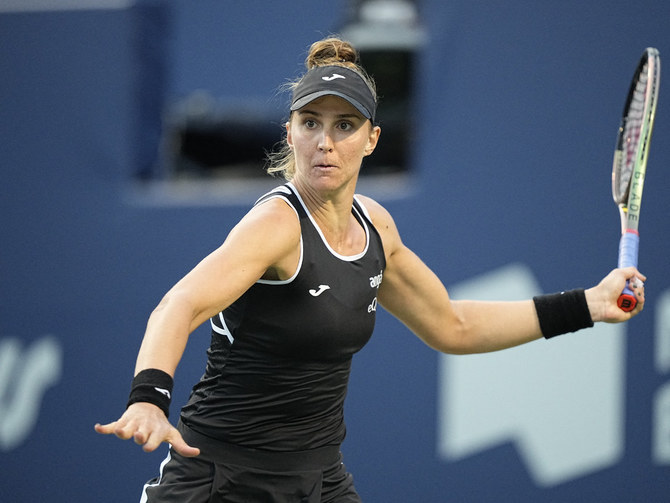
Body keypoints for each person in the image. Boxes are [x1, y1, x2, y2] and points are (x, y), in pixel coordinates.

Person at [95, 37, 646, 503]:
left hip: (319, 481)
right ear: (290, 133)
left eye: (344, 125)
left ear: (371, 139)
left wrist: (590, 305)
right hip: (221, 480)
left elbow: (453, 325)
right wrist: (149, 398)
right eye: (310, 123)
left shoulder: (376, 227)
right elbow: (179, 304)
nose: (325, 142)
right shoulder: (275, 225)